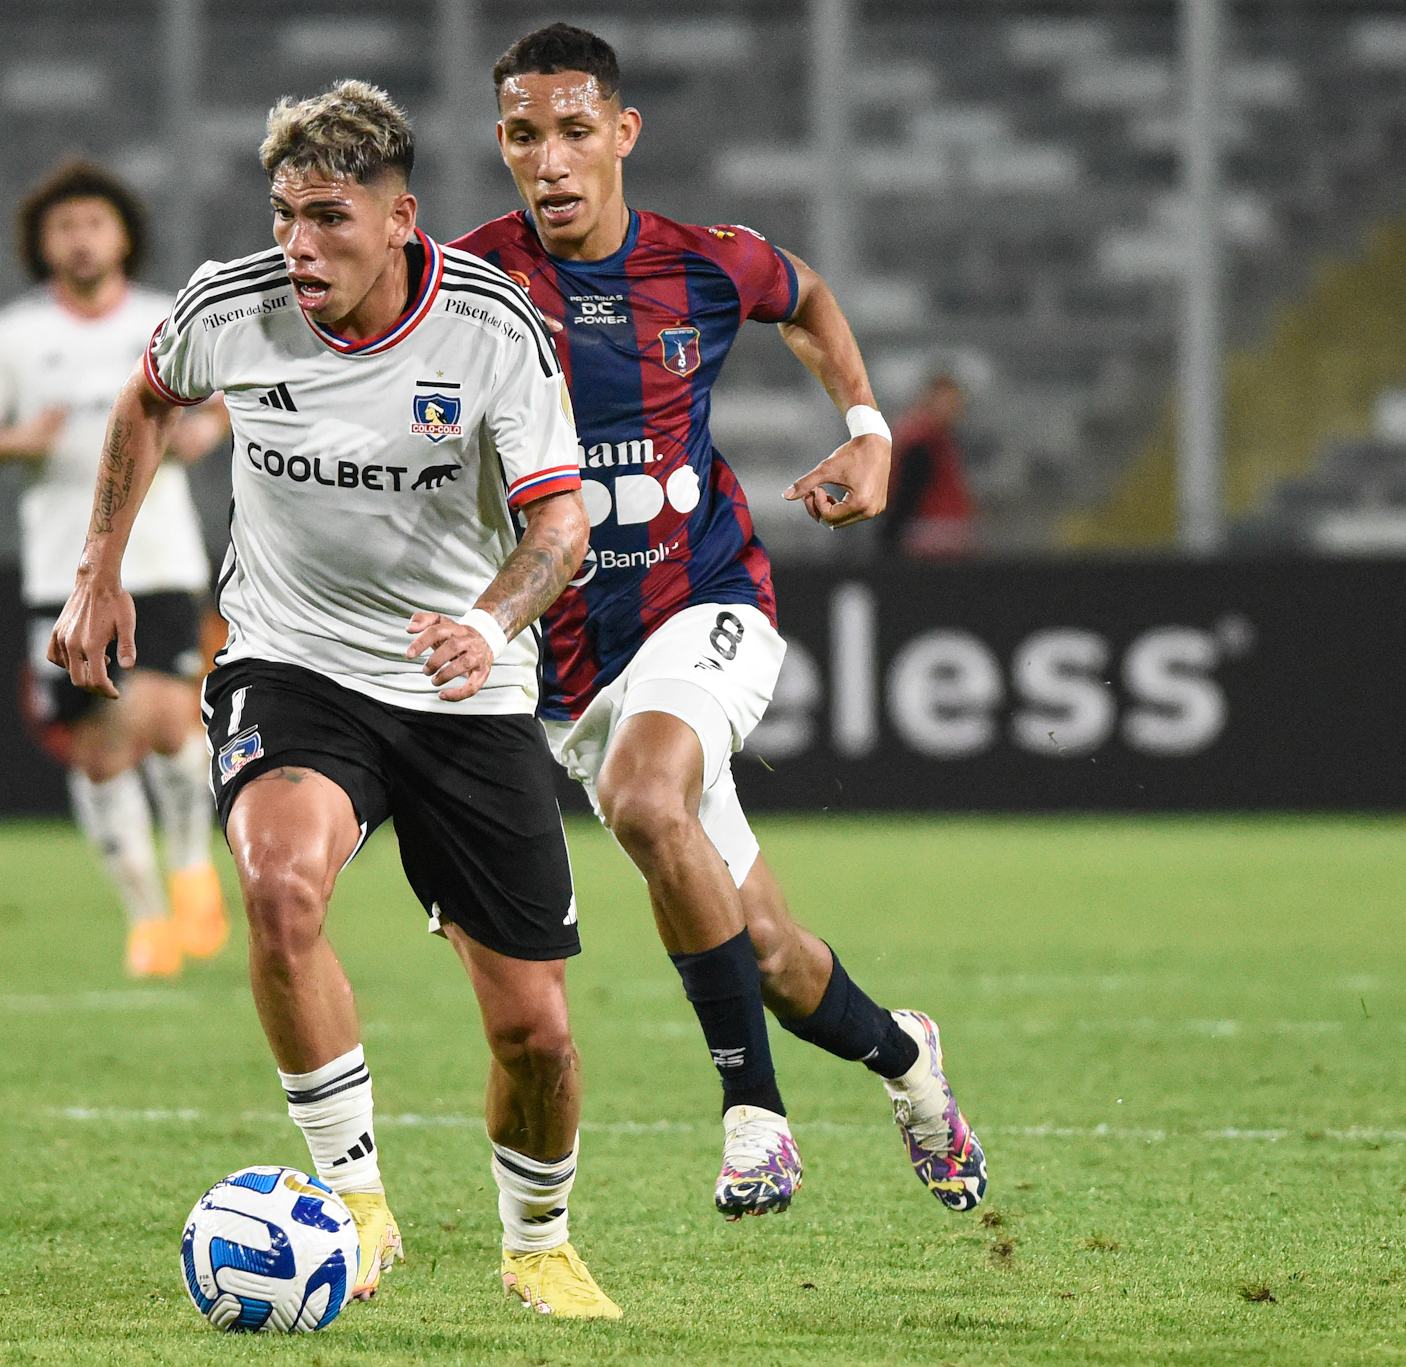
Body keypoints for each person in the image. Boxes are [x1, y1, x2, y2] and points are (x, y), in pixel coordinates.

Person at [49, 82, 620, 1318]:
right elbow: (149, 395)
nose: (298, 246)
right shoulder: (231, 305)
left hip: (463, 683)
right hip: (291, 660)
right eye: (282, 215)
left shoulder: (490, 330)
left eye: (327, 218)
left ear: (401, 218)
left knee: (533, 1029)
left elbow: (559, 525)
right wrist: (98, 567)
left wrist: (485, 620)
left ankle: (536, 1240)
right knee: (278, 882)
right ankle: (352, 1201)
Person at [454, 24, 986, 1220]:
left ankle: (755, 1119)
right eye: (523, 135)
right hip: (571, 669)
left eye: (574, 131)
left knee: (649, 797)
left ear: (622, 135)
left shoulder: (703, 264)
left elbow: (805, 299)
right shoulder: (470, 286)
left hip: (706, 604)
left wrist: (866, 426)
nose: (549, 160)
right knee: (774, 958)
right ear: (499, 144)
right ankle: (908, 1059)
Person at [0, 158, 231, 979]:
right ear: (42, 242)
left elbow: (215, 406)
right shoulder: (13, 335)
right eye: (64, 226)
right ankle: (145, 918)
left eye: (94, 223)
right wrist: (16, 441)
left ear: (123, 236)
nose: (80, 239)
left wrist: (198, 434)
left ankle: (187, 864)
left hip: (161, 555)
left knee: (175, 721)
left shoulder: (162, 317)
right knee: (102, 747)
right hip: (62, 568)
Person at [884, 374, 977, 559]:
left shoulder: (940, 440)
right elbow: (909, 491)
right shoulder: (921, 440)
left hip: (942, 527)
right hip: (931, 530)